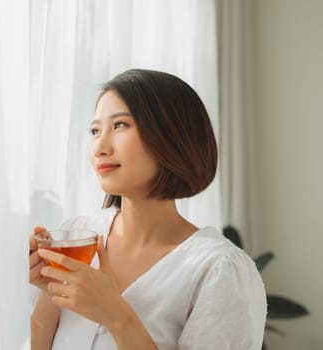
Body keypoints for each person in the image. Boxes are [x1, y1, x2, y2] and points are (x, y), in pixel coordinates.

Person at [29, 69, 266, 350]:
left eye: (120, 126)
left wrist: (116, 315)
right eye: (95, 131)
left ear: (171, 136)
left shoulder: (219, 269)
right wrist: (48, 292)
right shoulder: (74, 236)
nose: (100, 147)